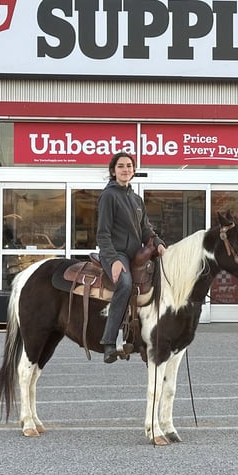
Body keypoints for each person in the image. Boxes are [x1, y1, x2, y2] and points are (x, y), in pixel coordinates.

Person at [96, 152, 166, 363]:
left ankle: (145, 337)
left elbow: (146, 229)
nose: (125, 169)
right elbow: (103, 234)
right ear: (113, 171)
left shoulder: (136, 199)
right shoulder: (108, 196)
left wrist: (158, 242)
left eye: (129, 166)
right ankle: (109, 342)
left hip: (135, 255)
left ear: (133, 171)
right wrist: (113, 260)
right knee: (125, 284)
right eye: (121, 166)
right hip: (115, 253)